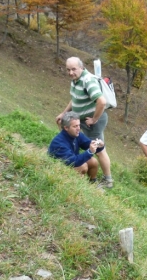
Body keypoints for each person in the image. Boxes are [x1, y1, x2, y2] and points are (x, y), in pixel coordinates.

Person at [56, 57, 114, 189]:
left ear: (81, 68)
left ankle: (108, 181)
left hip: (92, 122)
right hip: (81, 120)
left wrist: (94, 119)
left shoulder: (88, 80)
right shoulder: (76, 80)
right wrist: (64, 113)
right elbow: (74, 99)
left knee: (99, 149)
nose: (71, 72)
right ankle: (72, 159)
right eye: (68, 70)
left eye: (74, 69)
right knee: (73, 136)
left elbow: (102, 101)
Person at [48, 111, 105, 181]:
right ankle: (76, 187)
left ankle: (93, 184)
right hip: (57, 169)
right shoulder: (59, 143)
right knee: (83, 167)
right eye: (75, 126)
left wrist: (99, 145)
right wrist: (90, 152)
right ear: (66, 128)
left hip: (72, 162)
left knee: (93, 162)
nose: (78, 128)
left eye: (79, 125)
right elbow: (73, 162)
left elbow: (88, 144)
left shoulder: (76, 134)